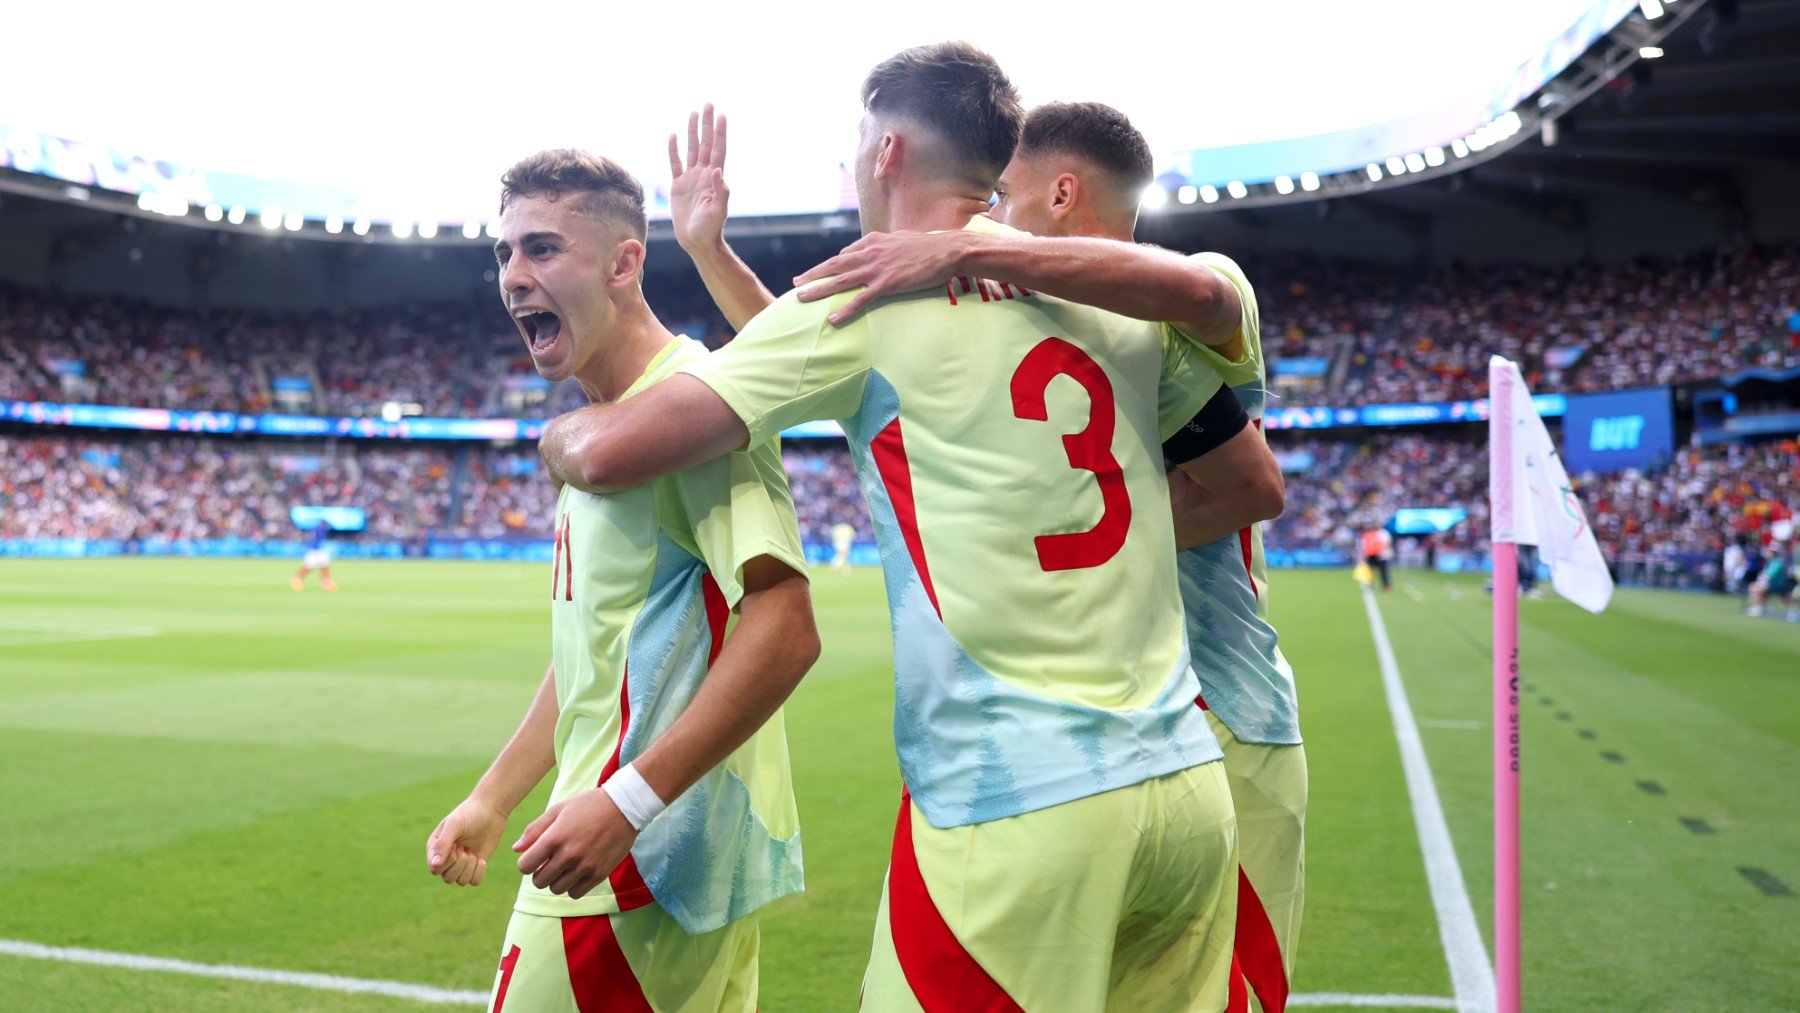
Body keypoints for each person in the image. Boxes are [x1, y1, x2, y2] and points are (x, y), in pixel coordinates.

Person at [538, 44, 1257, 1010]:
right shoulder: (1115, 296)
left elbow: (616, 451)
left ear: (884, 152)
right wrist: (712, 250)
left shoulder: (860, 303)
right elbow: (1245, 476)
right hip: (1187, 795)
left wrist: (562, 429)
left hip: (1014, 810)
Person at [792, 100, 1303, 1013]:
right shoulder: (1045, 317)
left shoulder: (1177, 290)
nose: (988, 210)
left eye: (1003, 194)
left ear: (1062, 193)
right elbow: (836, 368)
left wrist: (962, 247)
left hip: (1222, 704)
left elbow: (1250, 471)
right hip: (1119, 726)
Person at [424, 150, 819, 1011]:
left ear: (624, 261)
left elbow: (785, 625)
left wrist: (624, 802)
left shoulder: (696, 408)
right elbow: (595, 652)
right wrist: (494, 797)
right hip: (657, 851)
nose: (515, 278)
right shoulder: (614, 423)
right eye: (504, 255)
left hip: (629, 864)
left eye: (541, 249)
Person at [1746, 538, 1797, 620]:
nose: (1768, 553)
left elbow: (1769, 575)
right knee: (1754, 587)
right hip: (1773, 584)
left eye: (1770, 552)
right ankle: (1760, 607)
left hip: (1780, 585)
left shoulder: (1778, 562)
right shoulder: (1772, 562)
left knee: (1757, 589)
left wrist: (1760, 583)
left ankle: (1758, 608)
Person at [291, 518, 338, 592]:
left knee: (325, 564)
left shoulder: (316, 528)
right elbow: (327, 530)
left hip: (318, 550)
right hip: (313, 550)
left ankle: (326, 581)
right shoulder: (319, 529)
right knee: (309, 566)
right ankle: (297, 580)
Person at [1361, 524, 1393, 591]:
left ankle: (1386, 585)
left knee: (1383, 571)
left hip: (1383, 555)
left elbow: (1387, 543)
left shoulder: (1384, 533)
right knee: (1370, 569)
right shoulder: (1371, 533)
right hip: (1373, 554)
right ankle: (1370, 582)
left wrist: (1380, 551)